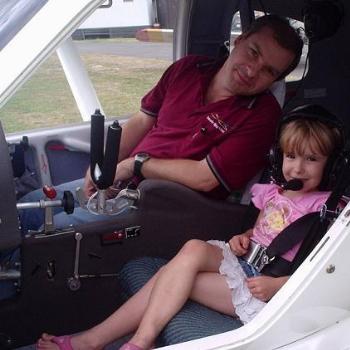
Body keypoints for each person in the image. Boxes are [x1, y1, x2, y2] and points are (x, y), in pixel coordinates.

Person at [36, 104, 344, 350]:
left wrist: (279, 286)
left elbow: (329, 270)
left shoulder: (329, 210)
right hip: (245, 263)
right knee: (193, 249)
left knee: (172, 278)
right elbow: (266, 231)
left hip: (269, 289)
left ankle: (124, 342)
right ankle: (98, 340)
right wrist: (245, 237)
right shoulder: (274, 191)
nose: (297, 167)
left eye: (312, 159)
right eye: (291, 156)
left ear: (331, 165)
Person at [19, 14, 303, 231]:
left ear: (275, 81)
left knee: (48, 235)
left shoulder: (262, 117)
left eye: (268, 71)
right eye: (253, 52)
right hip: (122, 186)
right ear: (239, 40)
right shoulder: (188, 68)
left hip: (164, 206)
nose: (252, 70)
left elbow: (205, 178)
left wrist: (135, 164)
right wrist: (103, 168)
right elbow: (143, 120)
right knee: (27, 206)